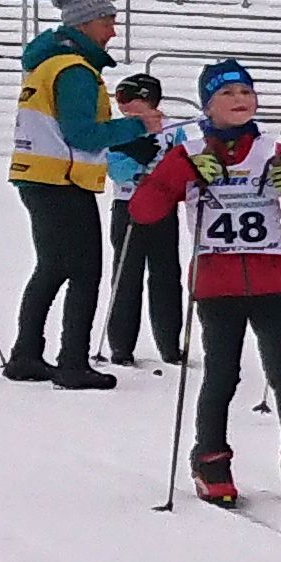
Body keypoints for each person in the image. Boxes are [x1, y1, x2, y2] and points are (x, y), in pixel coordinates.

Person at [140, 60, 281, 510]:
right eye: (227, 94)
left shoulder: (272, 150)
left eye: (246, 92)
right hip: (218, 280)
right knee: (222, 372)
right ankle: (210, 458)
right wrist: (183, 175)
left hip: (271, 277)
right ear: (208, 105)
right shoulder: (189, 153)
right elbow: (145, 211)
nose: (240, 100)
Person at [5, 0, 144, 385]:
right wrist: (136, 127)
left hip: (38, 176)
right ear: (83, 25)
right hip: (62, 180)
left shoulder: (46, 63)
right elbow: (82, 133)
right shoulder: (75, 70)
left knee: (51, 267)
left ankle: (26, 354)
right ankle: (73, 362)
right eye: (107, 23)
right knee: (85, 272)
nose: (113, 32)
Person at [98, 72, 191, 368]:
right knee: (126, 277)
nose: (121, 105)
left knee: (166, 275)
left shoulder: (173, 130)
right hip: (128, 205)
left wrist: (167, 172)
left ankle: (169, 345)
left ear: (147, 99)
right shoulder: (120, 130)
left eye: (126, 98)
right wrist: (134, 160)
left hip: (163, 208)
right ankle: (121, 346)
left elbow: (184, 164)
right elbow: (114, 169)